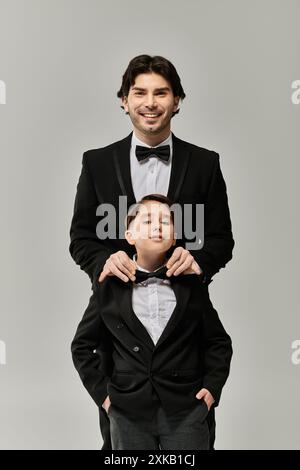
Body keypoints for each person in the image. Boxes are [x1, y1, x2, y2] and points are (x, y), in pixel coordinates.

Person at [69, 54, 234, 448]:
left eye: (161, 93)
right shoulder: (97, 163)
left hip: (183, 324)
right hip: (118, 324)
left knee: (190, 440)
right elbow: (81, 238)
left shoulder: (205, 164)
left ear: (177, 100)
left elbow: (221, 240)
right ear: (123, 100)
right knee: (124, 443)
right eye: (139, 92)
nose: (150, 102)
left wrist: (198, 260)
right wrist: (104, 261)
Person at [71, 194, 232, 450]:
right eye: (147, 221)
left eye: (165, 221)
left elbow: (218, 342)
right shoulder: (108, 286)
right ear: (129, 235)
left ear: (174, 235)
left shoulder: (191, 283)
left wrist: (211, 390)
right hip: (127, 409)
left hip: (186, 408)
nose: (157, 226)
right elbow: (81, 347)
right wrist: (104, 396)